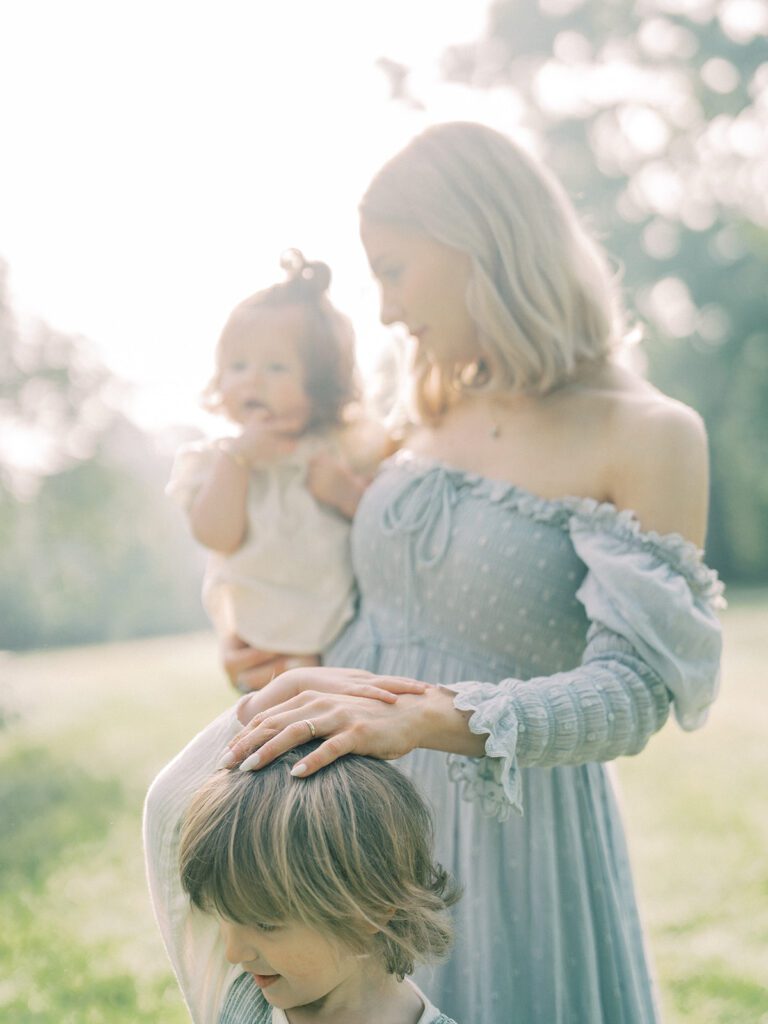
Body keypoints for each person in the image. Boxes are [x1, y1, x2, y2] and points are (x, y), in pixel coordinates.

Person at [215, 122, 725, 1023]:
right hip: (357, 805)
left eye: (394, 269)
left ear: (479, 242)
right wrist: (287, 650)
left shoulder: (649, 434)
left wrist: (427, 718)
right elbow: (390, 588)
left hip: (507, 835)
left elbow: (637, 690)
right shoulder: (427, 399)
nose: (380, 309)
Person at [143, 700, 460, 1024]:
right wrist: (276, 697)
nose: (233, 953)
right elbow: (165, 805)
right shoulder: (243, 994)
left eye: (265, 924)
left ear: (370, 909)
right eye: (224, 915)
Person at [166, 250, 388, 687]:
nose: (252, 380)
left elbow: (383, 521)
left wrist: (346, 493)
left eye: (275, 367)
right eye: (238, 366)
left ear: (323, 381)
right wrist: (239, 460)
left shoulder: (346, 446)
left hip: (342, 632)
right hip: (261, 638)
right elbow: (215, 534)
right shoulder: (217, 459)